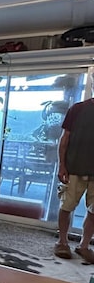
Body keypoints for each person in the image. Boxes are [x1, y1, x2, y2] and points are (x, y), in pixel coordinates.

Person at [54, 96, 94, 262]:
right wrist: (62, 165)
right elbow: (65, 138)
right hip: (74, 168)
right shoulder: (77, 109)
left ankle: (84, 246)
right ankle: (62, 242)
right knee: (67, 206)